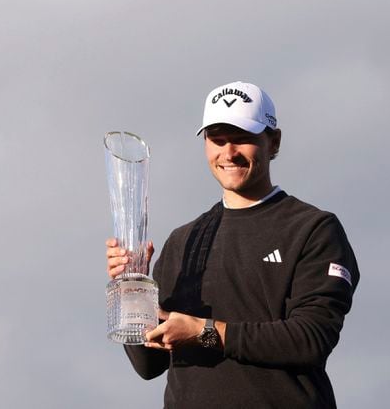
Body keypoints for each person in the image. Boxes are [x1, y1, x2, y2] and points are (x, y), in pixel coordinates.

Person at [105, 81, 359, 408]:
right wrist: (131, 290)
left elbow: (311, 339)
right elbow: (148, 364)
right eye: (218, 139)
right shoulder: (184, 241)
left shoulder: (313, 229)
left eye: (242, 138)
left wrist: (204, 332)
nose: (229, 153)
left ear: (273, 141)